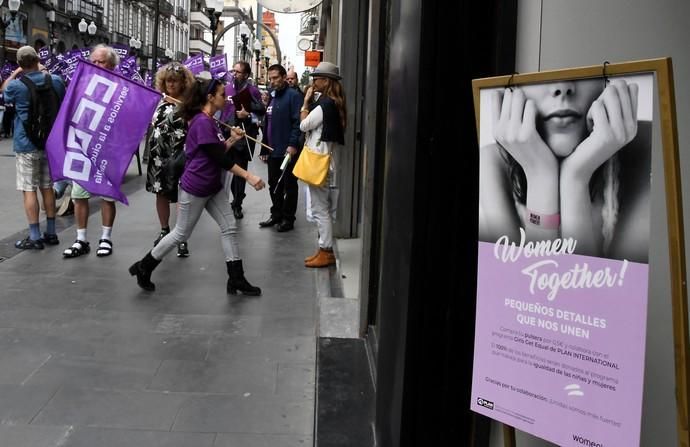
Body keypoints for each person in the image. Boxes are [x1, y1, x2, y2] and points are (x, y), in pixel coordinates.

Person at [479, 78, 651, 262]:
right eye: (541, 74)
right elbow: (529, 287)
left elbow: (603, 291)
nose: (562, 88)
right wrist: (541, 176)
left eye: (580, 69)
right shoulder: (492, 162)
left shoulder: (647, 147)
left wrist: (575, 179)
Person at [129, 73, 266, 294]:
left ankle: (236, 279)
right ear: (210, 97)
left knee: (229, 228)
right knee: (181, 234)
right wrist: (249, 177)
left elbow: (216, 150)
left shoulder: (208, 120)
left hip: (211, 185)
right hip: (196, 187)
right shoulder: (202, 122)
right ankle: (144, 267)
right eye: (223, 94)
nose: (226, 98)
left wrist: (231, 139)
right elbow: (219, 158)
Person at [1, 46, 65, 249]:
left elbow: (4, 89)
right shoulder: (55, 80)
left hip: (26, 143)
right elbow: (62, 97)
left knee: (29, 189)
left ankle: (35, 236)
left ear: (20, 64)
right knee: (47, 186)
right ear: (38, 60)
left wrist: (15, 72)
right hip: (49, 142)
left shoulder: (17, 86)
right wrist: (45, 71)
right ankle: (52, 232)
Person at [62, 44, 120, 258]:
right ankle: (81, 239)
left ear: (111, 64)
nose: (95, 65)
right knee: (79, 195)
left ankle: (105, 238)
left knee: (107, 196)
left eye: (100, 61)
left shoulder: (121, 87)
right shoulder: (81, 84)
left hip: (108, 149)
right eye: (93, 61)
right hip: (82, 147)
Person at [299, 62, 347, 268]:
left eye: (316, 78)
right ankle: (323, 249)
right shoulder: (335, 103)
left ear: (326, 81)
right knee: (322, 208)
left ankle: (325, 251)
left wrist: (305, 103)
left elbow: (304, 125)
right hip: (326, 160)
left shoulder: (324, 105)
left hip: (318, 162)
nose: (313, 82)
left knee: (320, 209)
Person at [146, 62, 195, 257]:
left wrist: (180, 105)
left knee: (181, 197)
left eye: (175, 81)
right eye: (168, 81)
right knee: (161, 193)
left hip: (179, 155)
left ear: (183, 82)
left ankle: (181, 236)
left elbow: (195, 126)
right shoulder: (160, 101)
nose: (171, 85)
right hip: (159, 155)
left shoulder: (189, 104)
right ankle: (164, 229)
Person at [259, 64, 303, 232]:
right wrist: (264, 148)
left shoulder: (293, 96)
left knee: (289, 184)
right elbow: (267, 122)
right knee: (273, 183)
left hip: (287, 150)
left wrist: (292, 144)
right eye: (270, 78)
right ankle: (276, 213)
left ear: (284, 77)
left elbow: (297, 123)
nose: (273, 81)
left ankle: (288, 218)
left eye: (276, 78)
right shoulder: (272, 96)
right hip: (272, 149)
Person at [220, 61, 265, 219]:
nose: (234, 74)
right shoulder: (226, 89)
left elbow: (261, 112)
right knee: (228, 169)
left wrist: (248, 114)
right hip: (227, 133)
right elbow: (220, 110)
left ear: (246, 74)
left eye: (238, 72)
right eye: (234, 71)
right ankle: (233, 198)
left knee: (240, 171)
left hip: (244, 136)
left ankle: (238, 203)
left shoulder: (253, 90)